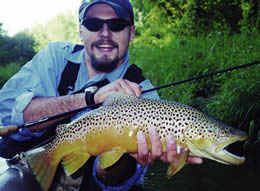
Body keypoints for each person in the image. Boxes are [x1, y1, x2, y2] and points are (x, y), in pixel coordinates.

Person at [0, 0, 202, 190]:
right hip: (27, 173)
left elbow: (111, 181)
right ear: (80, 30)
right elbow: (8, 113)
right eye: (93, 23)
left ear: (131, 33)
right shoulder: (55, 57)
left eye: (116, 24)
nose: (105, 33)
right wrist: (90, 97)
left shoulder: (144, 95)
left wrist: (129, 158)